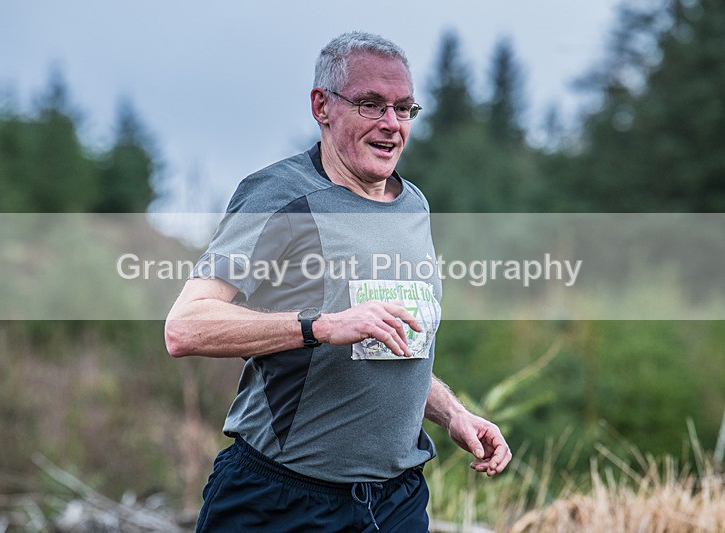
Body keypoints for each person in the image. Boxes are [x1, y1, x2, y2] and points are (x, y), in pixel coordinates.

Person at [164, 31, 511, 532]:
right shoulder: (281, 196)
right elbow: (185, 327)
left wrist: (453, 414)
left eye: (404, 108)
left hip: (395, 502)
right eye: (371, 105)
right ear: (321, 106)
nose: (391, 124)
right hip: (279, 500)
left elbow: (393, 344)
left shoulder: (413, 205)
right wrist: (322, 325)